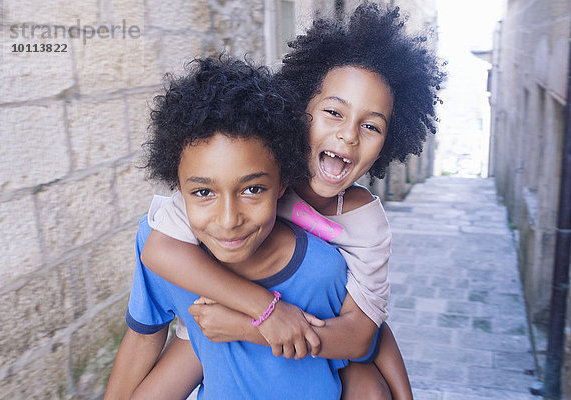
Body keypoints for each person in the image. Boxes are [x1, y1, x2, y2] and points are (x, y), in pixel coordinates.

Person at [134, 2, 445, 399]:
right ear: (302, 109)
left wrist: (250, 325)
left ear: (389, 140)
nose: (349, 136)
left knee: (373, 385)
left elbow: (364, 336)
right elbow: (159, 249)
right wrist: (263, 308)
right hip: (211, 324)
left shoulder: (366, 222)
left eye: (370, 126)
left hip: (303, 344)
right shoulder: (252, 176)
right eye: (334, 112)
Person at [105, 55, 354, 399]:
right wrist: (264, 310)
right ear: (177, 186)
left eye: (252, 189)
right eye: (203, 192)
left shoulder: (322, 269)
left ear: (282, 183)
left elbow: (362, 354)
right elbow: (145, 339)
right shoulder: (160, 246)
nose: (228, 220)